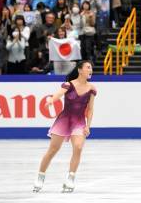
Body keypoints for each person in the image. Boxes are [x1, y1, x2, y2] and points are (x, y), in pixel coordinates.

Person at [34, 61, 96, 193]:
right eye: (88, 67)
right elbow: (57, 95)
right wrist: (51, 101)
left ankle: (70, 178)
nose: (91, 70)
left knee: (78, 147)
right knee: (53, 150)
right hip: (64, 120)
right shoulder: (69, 85)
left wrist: (88, 126)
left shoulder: (92, 89)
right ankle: (40, 176)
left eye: (91, 68)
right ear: (80, 70)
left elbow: (90, 110)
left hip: (79, 122)